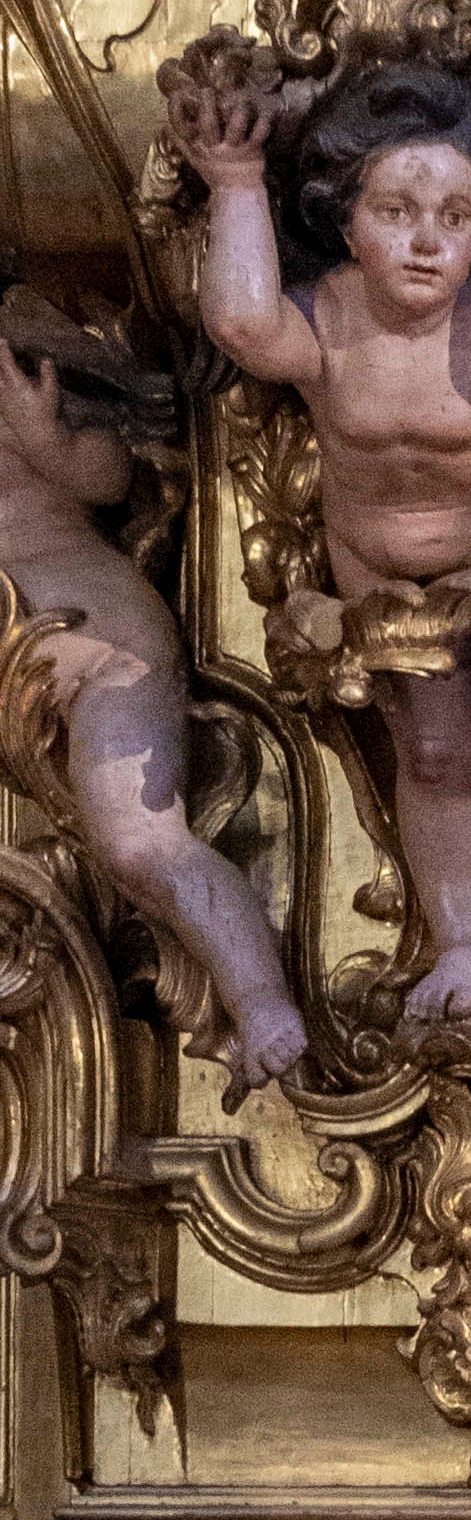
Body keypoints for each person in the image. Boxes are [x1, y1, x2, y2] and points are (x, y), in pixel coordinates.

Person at [158, 28, 471, 1037]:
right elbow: (243, 324)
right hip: (388, 579)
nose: (428, 241)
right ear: (348, 223)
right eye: (397, 212)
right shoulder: (327, 321)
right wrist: (236, 179)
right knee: (431, 756)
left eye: (454, 217)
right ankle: (462, 938)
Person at [0, 303, 303, 1084]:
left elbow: (112, 474)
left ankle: (261, 997)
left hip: (106, 649)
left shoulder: (16, 368)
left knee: (141, 844)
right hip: (27, 681)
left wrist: (50, 443)